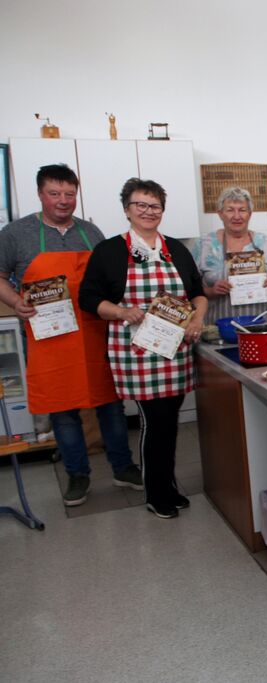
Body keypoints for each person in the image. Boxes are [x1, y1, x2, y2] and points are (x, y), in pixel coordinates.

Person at [0, 164, 139, 506]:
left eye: (69, 194)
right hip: (48, 338)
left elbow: (109, 278)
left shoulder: (91, 232)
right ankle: (78, 475)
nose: (63, 201)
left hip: (94, 334)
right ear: (40, 194)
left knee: (110, 404)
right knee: (62, 410)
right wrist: (16, 302)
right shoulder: (16, 233)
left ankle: (123, 467)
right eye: (54, 193)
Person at [80, 178, 208, 519]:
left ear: (162, 210)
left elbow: (197, 294)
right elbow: (88, 298)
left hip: (175, 351)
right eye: (141, 205)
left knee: (170, 421)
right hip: (136, 352)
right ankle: (156, 493)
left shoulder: (176, 249)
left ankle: (169, 486)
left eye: (155, 206)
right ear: (127, 209)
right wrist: (122, 312)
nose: (148, 211)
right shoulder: (109, 251)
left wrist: (197, 319)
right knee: (154, 422)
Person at [191, 186, 267, 323]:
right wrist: (211, 291)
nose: (237, 216)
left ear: (250, 213)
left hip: (263, 327)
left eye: (242, 210)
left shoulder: (266, 243)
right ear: (220, 214)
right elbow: (190, 290)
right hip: (219, 329)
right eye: (230, 210)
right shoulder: (203, 245)